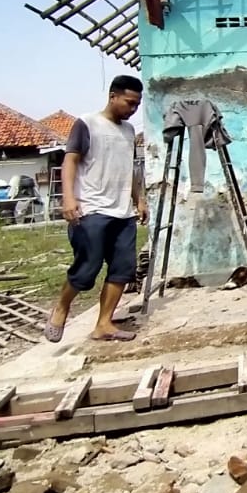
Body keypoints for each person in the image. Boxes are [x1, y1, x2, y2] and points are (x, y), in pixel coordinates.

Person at [44, 75, 149, 343]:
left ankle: (104, 324)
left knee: (123, 269)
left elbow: (130, 169)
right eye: (129, 102)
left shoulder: (127, 131)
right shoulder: (87, 123)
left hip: (123, 212)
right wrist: (68, 198)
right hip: (91, 210)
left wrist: (139, 199)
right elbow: (70, 161)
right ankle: (62, 307)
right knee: (86, 269)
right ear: (113, 96)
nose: (133, 109)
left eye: (137, 104)